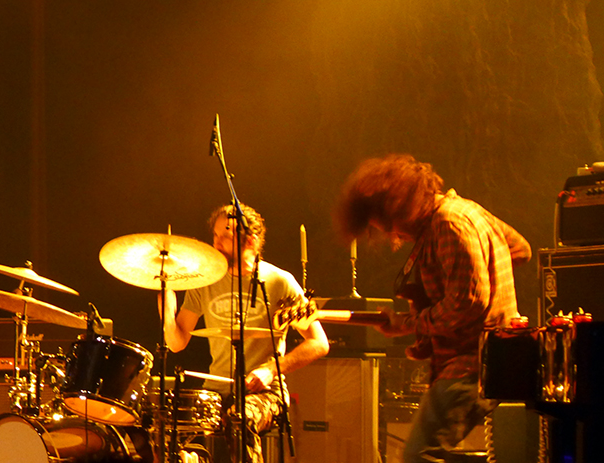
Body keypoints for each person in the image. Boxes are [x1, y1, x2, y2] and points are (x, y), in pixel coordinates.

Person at [334, 154, 531, 463]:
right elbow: (520, 249)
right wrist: (488, 272)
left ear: (400, 206)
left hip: (473, 362)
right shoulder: (467, 209)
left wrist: (410, 324)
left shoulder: (447, 224)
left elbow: (467, 302)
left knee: (420, 455)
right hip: (493, 358)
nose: (394, 235)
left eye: (389, 225)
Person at [160, 203, 330, 463]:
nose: (216, 243)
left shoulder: (279, 281)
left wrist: (271, 370)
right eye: (215, 235)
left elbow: (319, 343)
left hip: (266, 393)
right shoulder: (204, 281)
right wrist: (166, 306)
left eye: (225, 236)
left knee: (240, 418)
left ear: (250, 240)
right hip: (215, 394)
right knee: (170, 433)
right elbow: (177, 343)